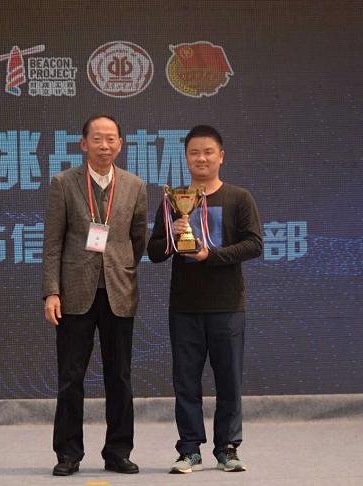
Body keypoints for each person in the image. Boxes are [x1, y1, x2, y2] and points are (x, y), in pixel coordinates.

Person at [147, 125, 262, 474]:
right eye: (194, 152)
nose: (201, 158)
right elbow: (154, 252)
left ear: (221, 156)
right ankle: (189, 449)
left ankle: (227, 448)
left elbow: (254, 244)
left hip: (227, 305)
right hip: (184, 307)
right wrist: (172, 237)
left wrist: (209, 255)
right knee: (185, 382)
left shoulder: (239, 198)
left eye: (208, 152)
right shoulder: (173, 200)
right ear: (186, 158)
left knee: (229, 380)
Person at [42, 115, 147, 476]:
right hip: (74, 294)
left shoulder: (134, 185)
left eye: (111, 139)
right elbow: (53, 243)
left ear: (120, 144)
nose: (105, 145)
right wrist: (52, 292)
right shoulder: (64, 183)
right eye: (98, 139)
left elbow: (137, 239)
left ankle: (118, 451)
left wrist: (121, 266)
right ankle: (68, 453)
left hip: (119, 291)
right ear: (84, 143)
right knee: (71, 376)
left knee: (120, 376)